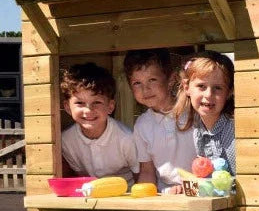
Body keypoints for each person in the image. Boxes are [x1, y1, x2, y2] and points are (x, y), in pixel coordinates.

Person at [124, 49, 196, 193]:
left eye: (152, 80)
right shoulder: (142, 125)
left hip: (201, 188)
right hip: (165, 193)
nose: (146, 89)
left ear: (170, 80)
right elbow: (147, 171)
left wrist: (191, 188)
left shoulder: (193, 112)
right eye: (137, 83)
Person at [61, 62, 138, 187]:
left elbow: (140, 177)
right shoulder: (66, 141)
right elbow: (81, 176)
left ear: (110, 106)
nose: (88, 110)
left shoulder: (126, 138)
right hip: (91, 196)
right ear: (67, 107)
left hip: (127, 196)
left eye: (96, 102)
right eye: (80, 103)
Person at [173, 51, 236, 175]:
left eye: (217, 88)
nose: (208, 95)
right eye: (201, 86)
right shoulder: (198, 130)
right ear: (187, 88)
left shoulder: (234, 129)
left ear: (229, 92)